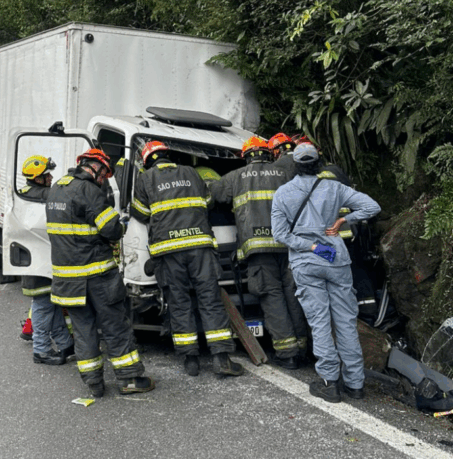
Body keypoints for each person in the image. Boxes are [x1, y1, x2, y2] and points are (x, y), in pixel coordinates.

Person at [271, 143, 380, 403]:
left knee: (319, 322)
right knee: (345, 322)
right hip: (336, 259)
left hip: (306, 262)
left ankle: (329, 383)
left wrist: (309, 245)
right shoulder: (334, 187)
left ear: (295, 165)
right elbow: (372, 207)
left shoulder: (283, 193)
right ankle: (355, 385)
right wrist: (344, 220)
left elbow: (280, 235)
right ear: (318, 163)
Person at [46, 148, 154, 397]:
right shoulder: (89, 190)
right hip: (97, 277)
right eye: (105, 174)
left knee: (83, 331)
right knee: (115, 326)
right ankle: (129, 379)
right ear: (94, 167)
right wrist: (121, 225)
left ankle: (94, 384)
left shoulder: (56, 190)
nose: (105, 179)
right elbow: (111, 230)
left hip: (67, 279)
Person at [131, 141, 244, 377]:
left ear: (148, 160)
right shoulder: (191, 173)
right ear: (168, 156)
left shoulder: (145, 179)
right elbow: (208, 202)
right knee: (210, 300)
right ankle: (221, 358)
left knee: (179, 303)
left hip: (168, 251)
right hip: (200, 247)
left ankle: (190, 360)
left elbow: (140, 213)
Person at [211, 136, 309, 369]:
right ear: (268, 154)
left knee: (272, 296)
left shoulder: (236, 177)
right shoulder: (285, 175)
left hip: (258, 250)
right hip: (288, 247)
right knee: (293, 294)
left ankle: (287, 353)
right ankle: (303, 347)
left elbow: (212, 194)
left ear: (246, 157)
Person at [18, 155, 75, 364]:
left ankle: (64, 343)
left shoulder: (23, 192)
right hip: (44, 260)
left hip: (33, 258)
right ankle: (40, 350)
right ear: (37, 178)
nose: (51, 177)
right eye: (46, 175)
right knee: (42, 306)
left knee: (50, 304)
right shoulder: (45, 194)